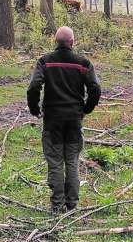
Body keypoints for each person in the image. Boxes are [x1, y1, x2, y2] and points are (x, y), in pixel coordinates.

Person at [27, 26, 101, 214]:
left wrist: (35, 109)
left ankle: (57, 204)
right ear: (72, 42)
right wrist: (86, 109)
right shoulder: (83, 63)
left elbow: (34, 86)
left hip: (52, 120)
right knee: (72, 161)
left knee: (55, 161)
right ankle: (72, 204)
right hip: (74, 120)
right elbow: (95, 89)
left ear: (55, 41)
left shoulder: (45, 62)